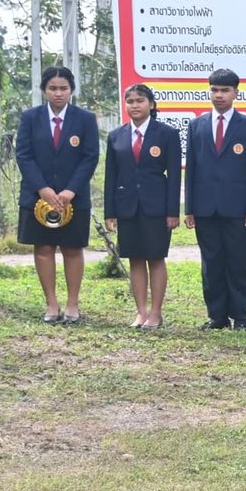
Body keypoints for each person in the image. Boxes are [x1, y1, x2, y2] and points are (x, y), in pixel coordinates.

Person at [15, 65, 99, 324]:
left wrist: (70, 190)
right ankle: (51, 304)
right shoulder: (30, 117)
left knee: (72, 249)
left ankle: (73, 304)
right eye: (52, 88)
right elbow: (23, 155)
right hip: (37, 196)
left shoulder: (85, 119)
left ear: (71, 90)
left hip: (73, 197)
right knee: (43, 248)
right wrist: (42, 189)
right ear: (44, 90)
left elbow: (90, 157)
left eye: (63, 88)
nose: (58, 93)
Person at [184, 68, 246, 330]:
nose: (219, 95)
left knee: (239, 262)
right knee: (211, 262)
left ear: (235, 93)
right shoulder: (196, 125)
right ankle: (216, 316)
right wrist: (190, 207)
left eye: (225, 90)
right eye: (215, 90)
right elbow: (191, 169)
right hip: (205, 207)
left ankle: (240, 317)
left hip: (238, 208)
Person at [103, 84, 179, 329]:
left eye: (140, 101)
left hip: (156, 207)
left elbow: (175, 176)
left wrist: (172, 212)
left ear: (151, 104)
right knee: (135, 259)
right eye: (130, 101)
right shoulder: (116, 136)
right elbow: (111, 176)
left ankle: (156, 313)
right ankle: (141, 312)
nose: (135, 105)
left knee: (156, 258)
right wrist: (110, 212)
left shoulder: (166, 134)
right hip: (126, 206)